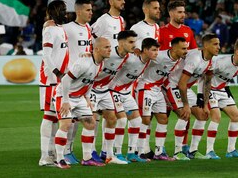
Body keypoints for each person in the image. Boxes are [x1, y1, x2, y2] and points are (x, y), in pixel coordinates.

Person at [53, 37, 111, 169]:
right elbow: (66, 80)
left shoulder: (100, 63)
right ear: (96, 49)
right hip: (64, 95)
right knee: (66, 124)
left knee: (90, 124)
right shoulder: (84, 63)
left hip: (80, 97)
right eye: (106, 47)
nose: (110, 50)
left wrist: (88, 98)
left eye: (109, 47)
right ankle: (60, 159)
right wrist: (66, 101)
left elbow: (89, 82)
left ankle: (87, 158)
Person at [163, 33, 220, 160]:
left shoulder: (212, 60)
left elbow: (207, 82)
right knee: (185, 114)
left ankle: (193, 151)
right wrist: (186, 105)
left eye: (219, 44)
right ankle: (178, 152)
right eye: (215, 44)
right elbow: (181, 83)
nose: (219, 47)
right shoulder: (195, 58)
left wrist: (205, 105)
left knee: (203, 115)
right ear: (205, 45)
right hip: (172, 85)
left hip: (185, 88)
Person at [135, 37, 188, 161]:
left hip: (158, 90)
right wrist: (137, 51)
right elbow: (141, 56)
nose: (186, 51)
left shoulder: (179, 59)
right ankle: (140, 152)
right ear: (174, 48)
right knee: (145, 120)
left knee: (163, 119)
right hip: (146, 87)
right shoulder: (159, 56)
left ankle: (159, 152)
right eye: (183, 48)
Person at [108, 38, 160, 162]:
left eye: (157, 50)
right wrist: (89, 54)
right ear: (145, 50)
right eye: (154, 50)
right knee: (121, 121)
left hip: (126, 93)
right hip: (113, 90)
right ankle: (117, 153)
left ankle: (132, 153)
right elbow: (115, 57)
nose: (157, 53)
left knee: (137, 121)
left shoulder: (148, 61)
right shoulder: (131, 58)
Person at [90, 30, 138, 165]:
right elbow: (93, 56)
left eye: (135, 42)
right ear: (121, 42)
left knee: (112, 119)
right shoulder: (108, 53)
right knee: (91, 121)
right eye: (130, 42)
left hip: (105, 90)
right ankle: (90, 152)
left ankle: (108, 154)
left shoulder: (128, 57)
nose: (134, 45)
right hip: (92, 88)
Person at [158, 0, 197, 154]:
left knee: (184, 114)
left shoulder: (188, 31)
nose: (183, 15)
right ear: (171, 13)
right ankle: (155, 149)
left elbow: (193, 53)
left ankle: (183, 146)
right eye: (179, 12)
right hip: (163, 80)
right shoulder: (161, 31)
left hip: (180, 79)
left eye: (184, 12)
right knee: (163, 115)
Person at [205, 39, 238, 159]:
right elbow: (206, 76)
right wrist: (203, 96)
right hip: (210, 89)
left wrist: (228, 93)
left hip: (222, 90)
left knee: (236, 116)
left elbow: (226, 80)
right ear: (237, 52)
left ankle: (231, 150)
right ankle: (209, 151)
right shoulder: (221, 62)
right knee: (216, 117)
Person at [61, 0, 93, 164]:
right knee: (67, 120)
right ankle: (62, 152)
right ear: (78, 11)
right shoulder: (67, 28)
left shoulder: (89, 28)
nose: (91, 13)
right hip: (70, 78)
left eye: (91, 10)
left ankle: (69, 150)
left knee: (78, 120)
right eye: (88, 10)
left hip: (83, 81)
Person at [39, 0, 69, 167]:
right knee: (49, 116)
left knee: (55, 118)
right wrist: (57, 73)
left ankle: (51, 154)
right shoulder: (50, 28)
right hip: (50, 79)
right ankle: (44, 156)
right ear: (54, 11)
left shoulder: (58, 27)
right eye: (62, 9)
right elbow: (47, 54)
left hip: (59, 79)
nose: (65, 12)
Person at [129, 0, 161, 158]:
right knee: (139, 116)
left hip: (148, 77)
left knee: (147, 117)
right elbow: (130, 46)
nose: (158, 10)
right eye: (155, 8)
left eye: (159, 8)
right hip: (136, 78)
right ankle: (136, 150)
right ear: (146, 10)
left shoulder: (157, 27)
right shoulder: (137, 28)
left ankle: (144, 149)